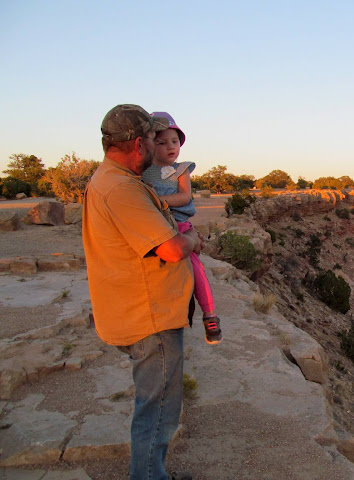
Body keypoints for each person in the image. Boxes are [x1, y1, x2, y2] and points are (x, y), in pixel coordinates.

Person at [82, 104, 203, 480]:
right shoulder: (121, 188)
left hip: (134, 308)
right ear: (139, 143)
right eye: (154, 137)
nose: (158, 144)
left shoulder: (108, 179)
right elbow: (169, 248)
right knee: (158, 409)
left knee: (153, 404)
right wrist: (194, 239)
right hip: (149, 316)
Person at [141, 111, 221, 345]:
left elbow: (185, 196)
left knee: (196, 270)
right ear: (148, 144)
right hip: (155, 228)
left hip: (180, 226)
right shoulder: (142, 172)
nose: (170, 147)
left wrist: (158, 200)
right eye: (162, 142)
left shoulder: (181, 169)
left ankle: (210, 314)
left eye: (174, 141)